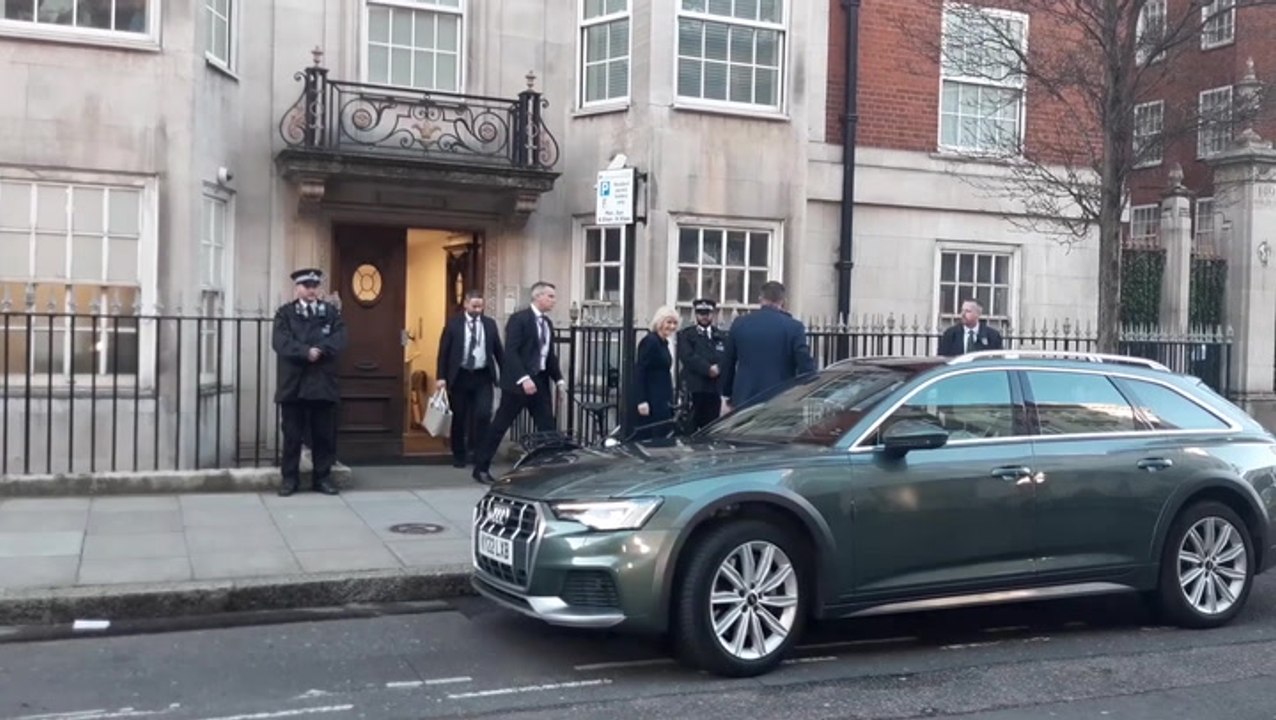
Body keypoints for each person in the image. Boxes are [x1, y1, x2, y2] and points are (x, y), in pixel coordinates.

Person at [471, 281, 565, 484]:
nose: (553, 301)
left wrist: (559, 380)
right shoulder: (519, 320)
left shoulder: (547, 324)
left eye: (553, 297)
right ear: (537, 297)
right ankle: (481, 467)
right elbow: (511, 352)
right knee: (500, 426)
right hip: (517, 384)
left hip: (540, 382)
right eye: (550, 296)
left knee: (548, 428)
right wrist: (524, 378)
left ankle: (551, 469)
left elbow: (548, 356)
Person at [272, 268, 347, 496]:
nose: (312, 290)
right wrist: (305, 351)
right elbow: (280, 342)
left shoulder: (331, 313)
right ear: (297, 288)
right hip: (294, 385)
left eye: (315, 286)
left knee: (322, 436)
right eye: (307, 286)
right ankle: (289, 479)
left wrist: (321, 349)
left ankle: (322, 478)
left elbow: (341, 337)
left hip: (322, 384)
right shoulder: (285, 314)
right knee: (292, 436)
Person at [720, 281, 816, 412]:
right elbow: (805, 364)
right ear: (783, 301)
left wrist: (727, 394)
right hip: (781, 398)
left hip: (744, 397)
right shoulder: (794, 327)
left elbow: (728, 363)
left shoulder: (740, 323)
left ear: (760, 299)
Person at [436, 290, 504, 468]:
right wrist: (441, 377)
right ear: (465, 304)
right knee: (460, 417)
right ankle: (459, 454)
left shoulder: (489, 324)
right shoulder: (454, 324)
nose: (477, 309)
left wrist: (506, 374)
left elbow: (498, 351)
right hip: (461, 376)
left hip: (482, 375)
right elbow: (444, 352)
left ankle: (479, 453)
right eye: (474, 306)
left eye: (480, 306)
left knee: (483, 414)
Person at [677, 298, 728, 432]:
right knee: (691, 428)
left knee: (711, 428)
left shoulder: (721, 336)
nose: (704, 316)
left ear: (713, 314)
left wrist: (719, 368)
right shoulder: (686, 335)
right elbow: (687, 357)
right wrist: (708, 369)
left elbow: (727, 356)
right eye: (700, 313)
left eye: (707, 313)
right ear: (696, 314)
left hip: (714, 389)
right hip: (695, 388)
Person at [632, 306, 680, 441]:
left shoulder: (663, 343)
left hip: (662, 398)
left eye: (674, 323)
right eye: (668, 322)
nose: (671, 326)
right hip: (652, 399)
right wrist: (641, 400)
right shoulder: (650, 342)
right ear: (660, 322)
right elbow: (640, 370)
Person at [938, 299, 1005, 356]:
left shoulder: (992, 336)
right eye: (962, 310)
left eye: (968, 311)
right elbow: (942, 358)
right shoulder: (950, 334)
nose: (963, 314)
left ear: (978, 314)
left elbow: (998, 359)